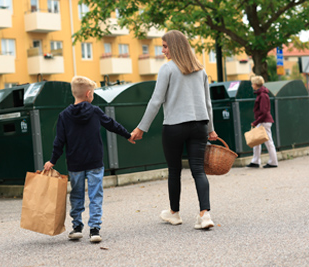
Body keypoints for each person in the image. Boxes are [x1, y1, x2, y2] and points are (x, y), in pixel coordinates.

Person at [129, 30, 218, 230]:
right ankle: (205, 214)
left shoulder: (167, 69)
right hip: (199, 125)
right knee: (198, 170)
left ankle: (174, 213)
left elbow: (156, 101)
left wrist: (141, 128)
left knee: (174, 170)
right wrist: (211, 129)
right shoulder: (200, 70)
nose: (162, 51)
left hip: (175, 126)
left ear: (175, 46)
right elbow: (208, 103)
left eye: (165, 46)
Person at [44, 76, 133, 243]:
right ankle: (94, 230)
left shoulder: (64, 116)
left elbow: (59, 141)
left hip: (75, 164)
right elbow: (111, 124)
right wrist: (127, 135)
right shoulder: (95, 111)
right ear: (89, 93)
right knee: (95, 195)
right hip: (94, 162)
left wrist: (52, 160)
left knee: (77, 195)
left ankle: (77, 227)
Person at [246, 76, 278, 168]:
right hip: (263, 121)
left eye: (252, 84)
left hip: (264, 121)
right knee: (257, 141)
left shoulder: (263, 95)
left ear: (256, 84)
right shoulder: (261, 94)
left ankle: (273, 162)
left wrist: (256, 122)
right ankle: (255, 161)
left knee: (268, 142)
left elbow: (264, 112)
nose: (252, 86)